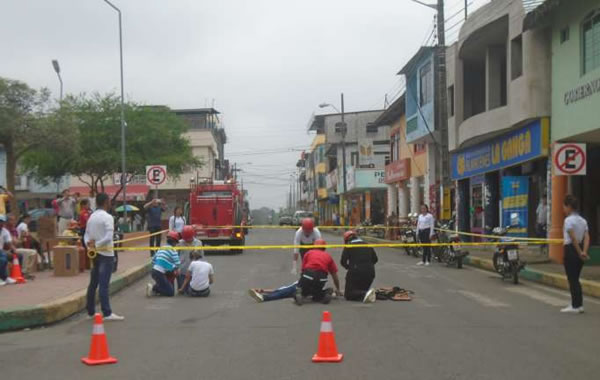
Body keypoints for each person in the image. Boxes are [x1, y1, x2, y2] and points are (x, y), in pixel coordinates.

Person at [84, 193, 124, 321]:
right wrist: (97, 245)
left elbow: (86, 236)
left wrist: (90, 245)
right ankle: (107, 313)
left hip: (95, 254)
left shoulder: (91, 217)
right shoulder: (107, 217)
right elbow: (108, 237)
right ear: (106, 202)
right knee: (103, 284)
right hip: (106, 254)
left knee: (93, 283)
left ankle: (90, 311)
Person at [560, 195, 590, 314]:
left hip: (571, 249)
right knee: (576, 278)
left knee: (572, 279)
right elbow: (587, 237)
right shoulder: (583, 220)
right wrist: (584, 251)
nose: (563, 209)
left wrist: (579, 252)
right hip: (581, 247)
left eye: (564, 206)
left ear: (569, 207)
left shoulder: (568, 220)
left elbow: (572, 237)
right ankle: (579, 304)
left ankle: (575, 305)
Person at [294, 239, 342, 305]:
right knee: (317, 293)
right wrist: (338, 289)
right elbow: (334, 275)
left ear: (314, 246)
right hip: (322, 277)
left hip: (308, 274)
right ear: (324, 247)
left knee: (300, 290)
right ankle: (325, 293)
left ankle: (300, 294)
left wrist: (302, 284)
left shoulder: (309, 253)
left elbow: (303, 270)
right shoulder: (328, 256)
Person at [340, 230, 378, 303]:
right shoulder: (367, 245)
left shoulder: (349, 245)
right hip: (370, 273)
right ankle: (366, 293)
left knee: (348, 295)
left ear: (346, 240)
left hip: (355, 273)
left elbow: (343, 262)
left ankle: (365, 294)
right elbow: (375, 259)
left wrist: (349, 267)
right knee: (360, 289)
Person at [147, 230, 181, 297]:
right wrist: (174, 269)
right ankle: (153, 288)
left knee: (163, 284)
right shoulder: (173, 250)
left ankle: (158, 287)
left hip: (154, 271)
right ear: (174, 242)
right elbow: (177, 264)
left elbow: (153, 260)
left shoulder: (161, 248)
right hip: (159, 273)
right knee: (171, 293)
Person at [177, 225, 203, 292]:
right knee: (183, 291)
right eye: (186, 239)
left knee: (191, 291)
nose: (187, 241)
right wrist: (177, 267)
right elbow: (176, 255)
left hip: (194, 272)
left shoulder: (198, 243)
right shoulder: (179, 243)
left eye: (189, 239)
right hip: (183, 270)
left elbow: (201, 257)